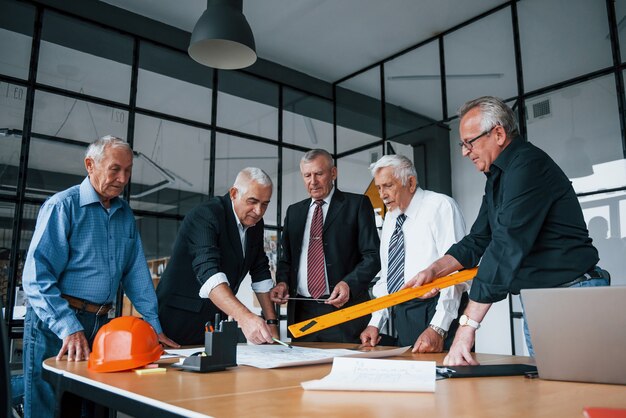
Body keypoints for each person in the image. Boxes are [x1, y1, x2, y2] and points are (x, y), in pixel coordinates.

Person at [405, 96, 610, 365]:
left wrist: (466, 327)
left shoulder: (528, 166)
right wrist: (435, 270)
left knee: (578, 392)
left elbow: (505, 246)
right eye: (462, 144)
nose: (465, 152)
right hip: (542, 298)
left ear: (499, 134)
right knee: (554, 389)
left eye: (470, 142)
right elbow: (479, 239)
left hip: (572, 295)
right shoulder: (498, 177)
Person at [21, 135, 179, 418]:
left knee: (92, 407)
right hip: (56, 322)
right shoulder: (62, 206)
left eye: (128, 171)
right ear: (90, 165)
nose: (122, 178)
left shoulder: (124, 214)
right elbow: (36, 278)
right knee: (49, 408)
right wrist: (69, 326)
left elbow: (136, 274)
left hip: (102, 325)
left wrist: (153, 324)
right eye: (115, 169)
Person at [359, 154, 470, 353]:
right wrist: (376, 322)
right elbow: (387, 276)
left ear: (410, 183)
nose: (382, 194)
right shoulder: (392, 218)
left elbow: (455, 275)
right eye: (378, 188)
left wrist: (438, 327)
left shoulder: (440, 206)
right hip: (403, 312)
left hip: (439, 311)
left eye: (388, 186)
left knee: (448, 381)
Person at [156, 168, 279, 346]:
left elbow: (260, 270)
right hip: (176, 320)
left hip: (214, 320)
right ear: (234, 193)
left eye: (265, 204)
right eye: (252, 201)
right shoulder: (205, 215)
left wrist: (271, 322)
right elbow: (209, 273)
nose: (259, 211)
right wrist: (245, 317)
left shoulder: (255, 223)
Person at [270, 149, 380, 343]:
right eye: (307, 175)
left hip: (345, 312)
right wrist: (282, 282)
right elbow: (286, 259)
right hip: (302, 314)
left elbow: (372, 256)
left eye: (319, 174)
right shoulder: (294, 212)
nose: (313, 181)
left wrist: (349, 284)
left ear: (333, 173)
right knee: (303, 372)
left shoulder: (357, 204)